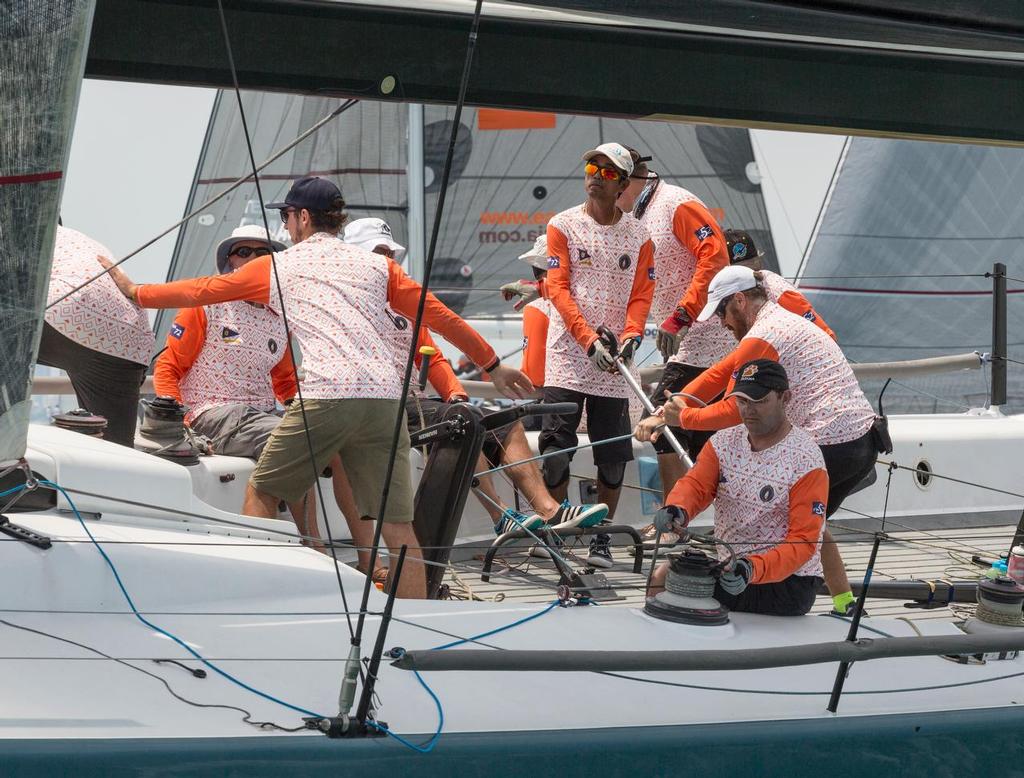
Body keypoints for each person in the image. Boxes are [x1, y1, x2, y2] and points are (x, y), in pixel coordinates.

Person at [101, 175, 534, 599]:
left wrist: (135, 292)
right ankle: (415, 625)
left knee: (266, 490)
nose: (286, 225)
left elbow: (203, 289)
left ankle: (262, 599)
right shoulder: (379, 266)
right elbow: (438, 316)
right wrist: (492, 364)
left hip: (330, 393)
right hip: (386, 398)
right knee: (397, 526)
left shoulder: (278, 266)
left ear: (303, 217)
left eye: (288, 215)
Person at [343, 219, 607, 542]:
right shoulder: (351, 302)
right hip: (383, 405)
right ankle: (501, 517)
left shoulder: (402, 301)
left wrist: (456, 394)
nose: (385, 261)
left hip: (417, 403)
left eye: (388, 254)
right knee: (462, 423)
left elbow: (433, 358)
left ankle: (548, 510)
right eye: (377, 253)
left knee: (505, 423)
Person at [641, 264, 876, 616]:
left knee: (800, 528)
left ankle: (761, 581)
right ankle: (845, 604)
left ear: (739, 300)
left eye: (722, 311)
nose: (722, 322)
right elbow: (721, 373)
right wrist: (665, 412)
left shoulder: (765, 335)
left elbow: (740, 410)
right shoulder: (778, 316)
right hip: (861, 438)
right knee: (813, 524)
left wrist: (683, 418)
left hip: (829, 440)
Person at [152, 224, 345, 556]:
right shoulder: (208, 305)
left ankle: (350, 549)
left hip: (260, 417)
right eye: (244, 252)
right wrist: (174, 420)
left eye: (264, 253)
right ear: (230, 263)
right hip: (212, 413)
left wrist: (313, 409)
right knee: (298, 439)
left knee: (331, 431)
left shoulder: (279, 318)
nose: (253, 258)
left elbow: (284, 382)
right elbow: (169, 366)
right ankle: (312, 547)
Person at [542, 142, 656, 568]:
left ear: (623, 185)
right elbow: (557, 288)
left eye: (608, 173)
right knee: (555, 452)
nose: (596, 176)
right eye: (592, 166)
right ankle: (555, 532)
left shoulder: (639, 236)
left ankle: (601, 540)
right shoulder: (563, 225)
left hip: (614, 361)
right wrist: (588, 340)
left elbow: (642, 295)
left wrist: (631, 337)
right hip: (568, 357)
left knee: (612, 456)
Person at [647, 360, 828, 617]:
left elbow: (803, 542)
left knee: (668, 581)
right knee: (664, 576)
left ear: (785, 398)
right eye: (742, 401)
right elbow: (696, 486)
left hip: (789, 584)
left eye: (759, 401)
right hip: (734, 570)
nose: (748, 410)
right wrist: (677, 509)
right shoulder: (723, 442)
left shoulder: (806, 459)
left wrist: (753, 568)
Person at [616, 149, 734, 501]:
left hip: (708, 337)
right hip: (687, 344)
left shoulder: (674, 203)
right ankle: (694, 515)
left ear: (631, 181)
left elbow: (716, 255)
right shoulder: (640, 215)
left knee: (661, 426)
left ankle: (673, 519)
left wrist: (681, 315)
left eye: (612, 183)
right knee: (696, 433)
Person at [39, 225, 155, 447]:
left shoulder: (21, 226)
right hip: (131, 339)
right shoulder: (79, 239)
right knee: (115, 447)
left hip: (68, 308)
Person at [724, 229, 836, 340]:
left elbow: (824, 334)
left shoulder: (778, 290)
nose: (748, 276)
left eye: (751, 269)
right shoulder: (725, 293)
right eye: (739, 273)